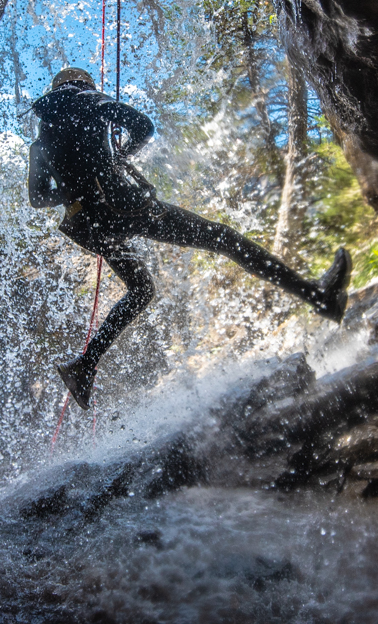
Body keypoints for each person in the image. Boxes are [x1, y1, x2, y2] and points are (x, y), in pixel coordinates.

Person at [28, 67, 352, 410]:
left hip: (88, 227)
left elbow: (37, 197)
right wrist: (121, 156)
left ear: (54, 91)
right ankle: (318, 296)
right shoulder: (89, 99)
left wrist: (74, 188)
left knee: (140, 289)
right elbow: (143, 126)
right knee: (223, 239)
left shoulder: (41, 136)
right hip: (123, 207)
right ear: (86, 85)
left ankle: (84, 366)